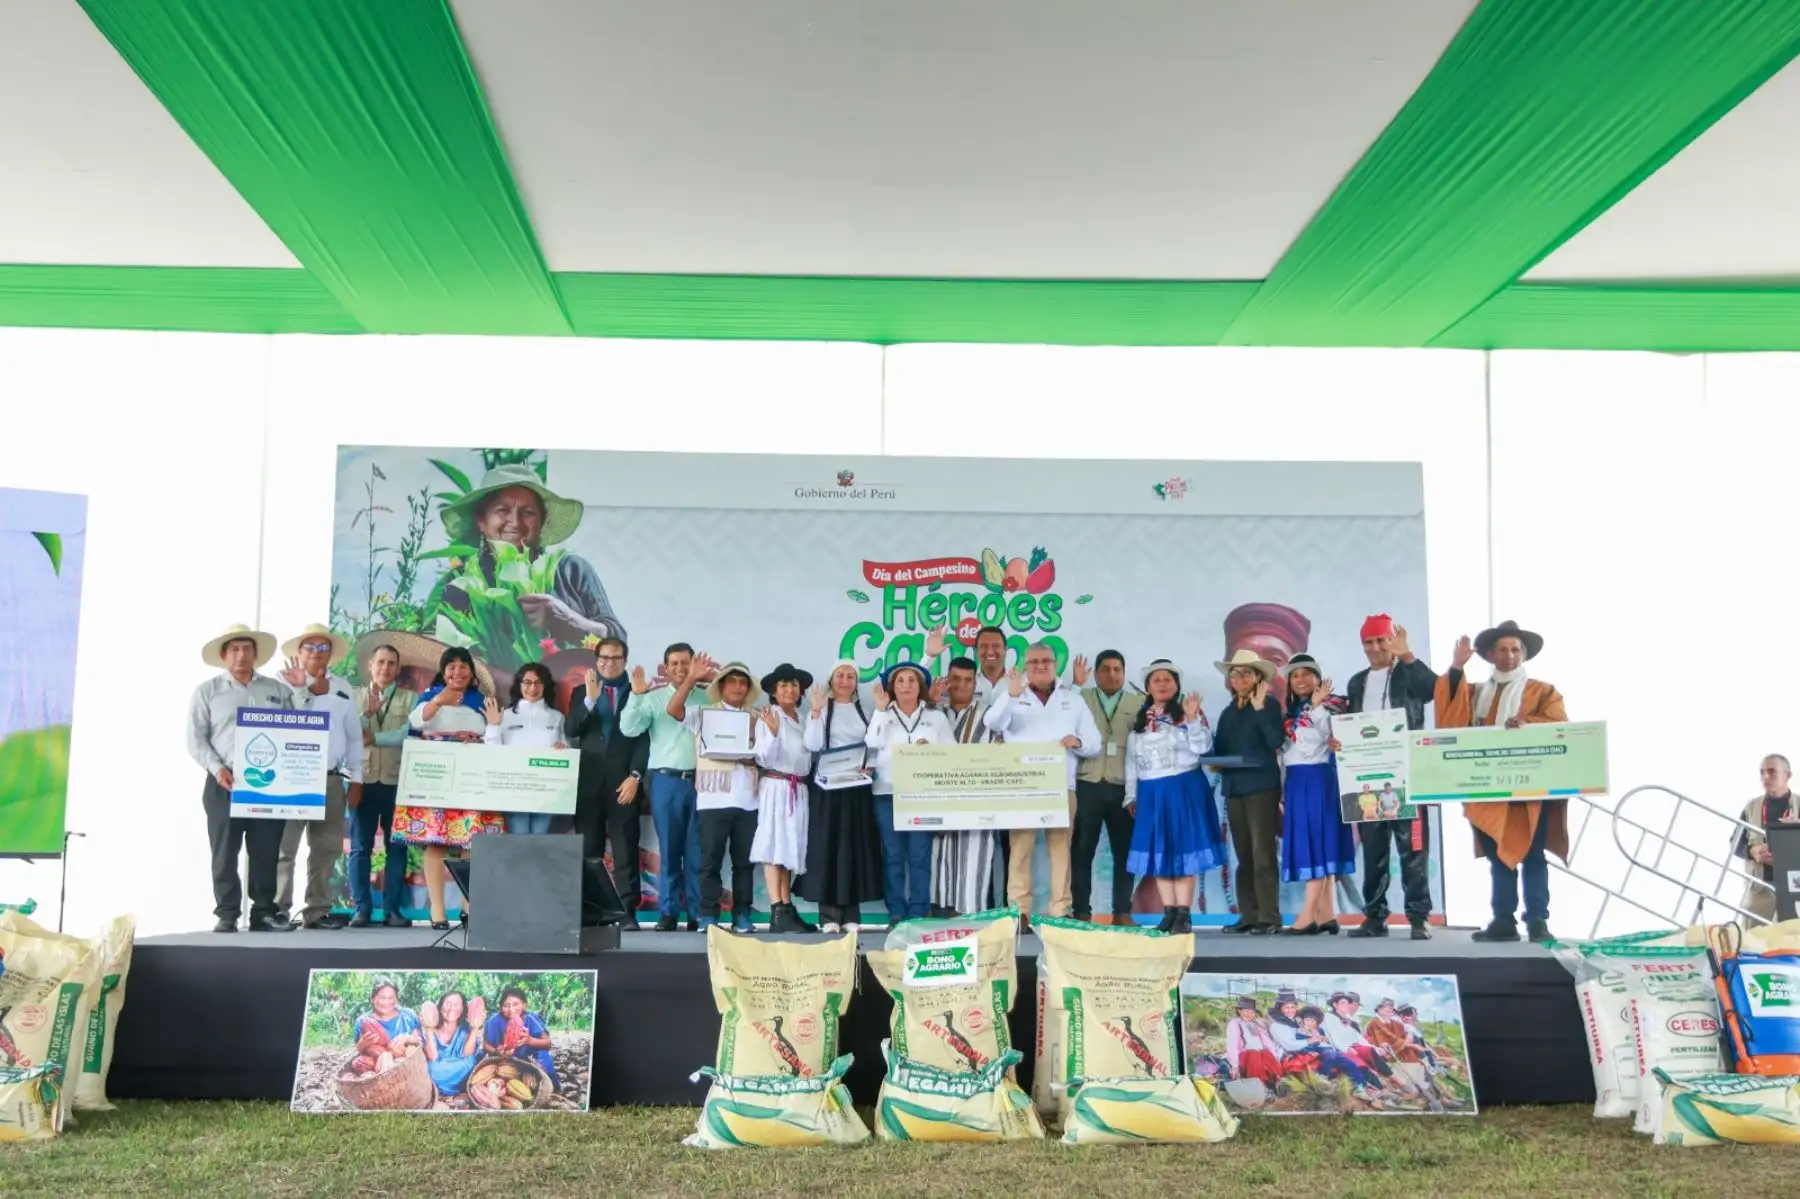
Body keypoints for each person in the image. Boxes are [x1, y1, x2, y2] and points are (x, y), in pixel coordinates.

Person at [1436, 621, 1568, 943]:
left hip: (1528, 787)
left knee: (1534, 855)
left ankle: (1538, 921)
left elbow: (1559, 725)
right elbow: (1451, 717)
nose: (1509, 655)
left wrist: (1527, 723)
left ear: (1523, 655)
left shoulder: (1541, 691)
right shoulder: (1477, 692)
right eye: (1503, 649)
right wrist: (1456, 667)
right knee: (1499, 858)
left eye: (1515, 649)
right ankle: (1503, 920)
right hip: (1488, 787)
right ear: (1491, 654)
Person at [438, 463, 626, 652]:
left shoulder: (571, 570)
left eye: (527, 512)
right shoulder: (458, 584)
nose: (515, 522)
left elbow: (618, 643)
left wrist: (567, 621)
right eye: (502, 510)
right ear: (481, 522)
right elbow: (444, 656)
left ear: (541, 522)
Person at [186, 624, 295, 933]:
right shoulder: (207, 692)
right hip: (224, 781)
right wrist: (217, 768)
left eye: (247, 648)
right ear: (224, 655)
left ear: (256, 654)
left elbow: (302, 726)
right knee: (224, 850)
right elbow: (195, 739)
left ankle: (263, 912)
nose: (241, 654)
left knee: (266, 850)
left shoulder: (277, 690)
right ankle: (227, 913)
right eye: (234, 649)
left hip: (269, 784)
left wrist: (302, 690)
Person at [984, 642, 1102, 923]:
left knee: (1061, 850)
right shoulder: (1012, 692)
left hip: (1061, 786)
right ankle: (1019, 911)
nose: (1040, 666)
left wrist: (1079, 742)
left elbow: (1094, 743)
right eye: (1034, 661)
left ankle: (1060, 909)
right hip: (1022, 786)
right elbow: (992, 723)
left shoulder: (1072, 700)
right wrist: (1011, 697)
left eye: (1046, 661)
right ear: (1026, 665)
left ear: (1055, 664)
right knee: (1020, 849)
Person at [1343, 615, 1439, 941]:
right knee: (1373, 852)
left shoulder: (1408, 673)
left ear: (1392, 641)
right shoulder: (1357, 682)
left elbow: (1434, 689)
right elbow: (1350, 723)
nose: (1375, 648)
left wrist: (1408, 655)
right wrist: (1338, 741)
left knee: (1413, 851)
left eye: (1381, 640)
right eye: (1369, 642)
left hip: (1407, 774)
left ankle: (1418, 918)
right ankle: (1374, 917)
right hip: (1366, 778)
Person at [397, 646, 506, 930]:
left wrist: (481, 739)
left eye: (463, 666)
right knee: (436, 842)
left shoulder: (482, 700)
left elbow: (496, 736)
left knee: (471, 842)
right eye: (451, 666)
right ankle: (437, 908)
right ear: (443, 672)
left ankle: (469, 906)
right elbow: (415, 723)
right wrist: (440, 701)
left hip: (473, 778)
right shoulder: (430, 696)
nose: (457, 671)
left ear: (472, 673)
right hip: (437, 779)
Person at [269, 624, 362, 930]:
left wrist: (357, 778)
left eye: (323, 648)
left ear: (331, 655)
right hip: (290, 778)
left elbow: (353, 736)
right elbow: (284, 725)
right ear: (298, 652)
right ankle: (278, 909)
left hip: (331, 778)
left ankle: (317, 911)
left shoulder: (343, 687)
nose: (316, 653)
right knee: (284, 846)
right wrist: (304, 690)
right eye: (310, 647)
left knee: (327, 848)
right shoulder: (280, 685)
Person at [1123, 659, 1223, 934]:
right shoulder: (1141, 723)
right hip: (1152, 792)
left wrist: (1191, 719)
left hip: (1184, 787)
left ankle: (1183, 914)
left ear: (1177, 685)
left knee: (1184, 851)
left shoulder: (1188, 715)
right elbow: (1131, 762)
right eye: (1156, 680)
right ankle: (1168, 912)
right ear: (1148, 688)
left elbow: (1203, 747)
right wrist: (1130, 795)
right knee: (1160, 853)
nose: (1162, 684)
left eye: (1168, 679)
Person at [670, 656, 762, 933]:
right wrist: (691, 679)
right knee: (709, 861)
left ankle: (742, 915)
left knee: (744, 864)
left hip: (747, 800)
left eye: (742, 682)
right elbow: (674, 710)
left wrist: (754, 759)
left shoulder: (757, 717)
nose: (737, 686)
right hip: (713, 799)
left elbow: (769, 755)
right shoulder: (703, 713)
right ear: (721, 686)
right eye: (731, 681)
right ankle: (708, 915)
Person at [621, 642, 707, 932]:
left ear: (694, 663)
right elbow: (629, 729)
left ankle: (697, 913)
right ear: (666, 668)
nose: (680, 669)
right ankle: (668, 912)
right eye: (674, 664)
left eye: (685, 662)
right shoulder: (655, 699)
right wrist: (635, 694)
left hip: (703, 783)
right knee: (669, 851)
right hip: (666, 782)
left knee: (697, 853)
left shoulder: (709, 698)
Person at [564, 637, 650, 926]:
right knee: (589, 852)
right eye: (604, 657)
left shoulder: (640, 692)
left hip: (624, 783)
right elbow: (572, 729)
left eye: (615, 658)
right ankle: (591, 911)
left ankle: (627, 912)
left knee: (626, 849)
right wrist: (589, 699)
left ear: (624, 660)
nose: (609, 663)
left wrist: (636, 776)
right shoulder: (581, 692)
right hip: (587, 784)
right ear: (596, 659)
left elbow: (645, 740)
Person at [867, 662, 955, 922]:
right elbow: (871, 745)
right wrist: (881, 712)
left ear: (921, 687)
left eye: (912, 680)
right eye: (900, 681)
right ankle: (896, 910)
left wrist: (932, 750)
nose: (906, 685)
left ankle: (918, 911)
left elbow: (951, 754)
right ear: (892, 687)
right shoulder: (883, 713)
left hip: (922, 796)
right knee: (892, 855)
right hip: (886, 793)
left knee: (920, 855)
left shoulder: (935, 717)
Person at [799, 660, 882, 934]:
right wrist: (814, 711)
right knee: (827, 848)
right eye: (840, 675)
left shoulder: (867, 712)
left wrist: (869, 765)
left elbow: (873, 747)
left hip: (856, 789)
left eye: (851, 676)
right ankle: (828, 916)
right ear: (831, 680)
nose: (845, 680)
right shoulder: (820, 711)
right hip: (826, 789)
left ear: (857, 682)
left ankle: (850, 915)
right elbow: (812, 745)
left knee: (853, 849)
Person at [1211, 649, 1285, 935]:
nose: (1239, 677)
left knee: (1263, 853)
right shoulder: (1228, 712)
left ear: (1258, 678)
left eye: (1246, 672)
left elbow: (1276, 740)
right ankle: (1249, 915)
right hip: (1234, 788)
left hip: (1261, 787)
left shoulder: (1268, 705)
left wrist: (1257, 709)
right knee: (1243, 855)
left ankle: (1270, 917)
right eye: (1235, 673)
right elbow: (1220, 751)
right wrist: (1215, 763)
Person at [1279, 654, 1354, 936]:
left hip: (1318, 778)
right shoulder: (1292, 712)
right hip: (1297, 781)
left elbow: (1330, 735)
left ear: (1318, 678)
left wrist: (1319, 705)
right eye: (1294, 675)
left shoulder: (1332, 705)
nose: (1300, 680)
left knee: (1315, 845)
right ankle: (1327, 915)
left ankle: (1307, 915)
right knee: (1316, 843)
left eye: (1306, 674)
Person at [1070, 651, 1145, 925]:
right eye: (1105, 669)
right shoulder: (1080, 698)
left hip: (1122, 789)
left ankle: (1122, 912)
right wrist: (1076, 684)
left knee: (1125, 852)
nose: (1112, 674)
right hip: (1087, 783)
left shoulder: (1139, 703)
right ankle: (1081, 911)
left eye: (1117, 669)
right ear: (1096, 673)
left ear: (1124, 673)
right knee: (1081, 851)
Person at [350, 638, 416, 928]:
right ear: (370, 665)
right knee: (360, 847)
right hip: (361, 780)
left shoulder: (410, 698)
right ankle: (362, 910)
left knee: (397, 848)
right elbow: (350, 735)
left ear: (398, 668)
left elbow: (407, 734)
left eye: (391, 663)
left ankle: (393, 911)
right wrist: (367, 714)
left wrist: (375, 737)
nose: (385, 668)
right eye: (380, 662)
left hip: (397, 781)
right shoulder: (353, 697)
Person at [752, 663, 818, 933]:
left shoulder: (802, 719)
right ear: (774, 693)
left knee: (789, 848)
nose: (789, 690)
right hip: (777, 786)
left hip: (798, 789)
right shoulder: (769, 716)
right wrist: (774, 732)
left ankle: (787, 907)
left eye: (793, 685)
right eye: (783, 686)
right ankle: (777, 909)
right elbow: (763, 757)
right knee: (774, 846)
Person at [932, 657, 999, 917]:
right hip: (937, 798)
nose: (961, 685)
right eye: (955, 679)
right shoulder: (933, 713)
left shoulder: (989, 716)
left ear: (975, 683)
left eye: (968, 680)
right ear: (947, 681)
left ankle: (971, 915)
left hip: (976, 801)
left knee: (974, 858)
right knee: (939, 856)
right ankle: (938, 912)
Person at [483, 662, 568, 832]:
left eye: (538, 682)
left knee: (540, 836)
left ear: (545, 686)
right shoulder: (504, 716)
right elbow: (493, 753)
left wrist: (563, 748)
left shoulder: (556, 717)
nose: (533, 688)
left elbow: (566, 750)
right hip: (515, 789)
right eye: (527, 682)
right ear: (519, 685)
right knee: (519, 836)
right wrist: (493, 726)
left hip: (546, 790)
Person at [1734, 754, 1795, 922]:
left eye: (1772, 772)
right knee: (1751, 940)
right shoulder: (1751, 807)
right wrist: (1753, 851)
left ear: (1787, 775)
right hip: (1759, 889)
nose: (1765, 777)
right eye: (1762, 772)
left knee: (1792, 940)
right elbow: (1735, 843)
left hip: (1794, 887)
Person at [1222, 602, 1311, 707]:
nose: (1258, 677)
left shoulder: (1310, 720)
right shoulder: (1228, 717)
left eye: (1275, 660)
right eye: (1245, 662)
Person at [483, 986, 561, 1090]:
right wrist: (496, 1051)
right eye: (506, 1005)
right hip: (503, 1061)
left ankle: (554, 1089)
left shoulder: (530, 1018)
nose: (511, 1009)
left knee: (544, 1058)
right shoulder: (494, 1020)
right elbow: (484, 1045)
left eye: (516, 1004)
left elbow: (547, 1043)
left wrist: (529, 1040)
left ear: (524, 1005)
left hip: (529, 1060)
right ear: (501, 1007)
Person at [420, 991, 482, 1097]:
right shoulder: (431, 1029)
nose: (451, 1008)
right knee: (431, 1067)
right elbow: (433, 1057)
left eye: (456, 1004)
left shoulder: (466, 1027)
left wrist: (475, 1028)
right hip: (437, 1070)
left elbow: (467, 1054)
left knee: (470, 1063)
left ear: (462, 1009)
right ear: (440, 1007)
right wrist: (428, 1028)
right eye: (448, 1004)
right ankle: (438, 1090)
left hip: (461, 1070)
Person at [1225, 997, 1285, 1087]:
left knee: (1269, 1058)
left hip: (1260, 1052)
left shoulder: (1256, 1024)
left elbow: (1266, 1041)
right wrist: (1235, 1065)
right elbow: (1232, 1045)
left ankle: (1275, 1083)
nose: (1249, 1014)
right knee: (1255, 1057)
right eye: (1246, 1011)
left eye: (1252, 1012)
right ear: (1239, 1011)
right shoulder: (1235, 1024)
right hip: (1246, 1055)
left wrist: (1273, 1054)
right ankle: (1261, 1086)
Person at [355, 979, 423, 1053]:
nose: (386, 1002)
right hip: (378, 1062)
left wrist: (408, 1039)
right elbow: (361, 1051)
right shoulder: (362, 1022)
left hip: (408, 1060)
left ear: (396, 1000)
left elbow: (420, 1043)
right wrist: (361, 1045)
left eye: (391, 998)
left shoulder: (408, 1015)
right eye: (382, 998)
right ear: (372, 999)